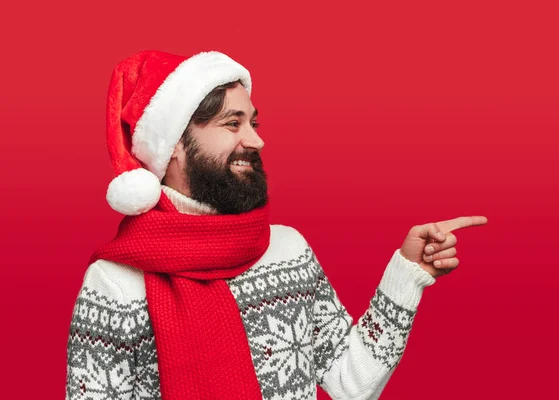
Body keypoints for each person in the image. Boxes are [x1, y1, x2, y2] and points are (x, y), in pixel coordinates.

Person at [65, 50, 487, 400]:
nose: (255, 140)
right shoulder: (115, 285)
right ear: (174, 145)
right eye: (233, 124)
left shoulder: (287, 249)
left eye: (253, 123)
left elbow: (351, 383)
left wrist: (407, 275)